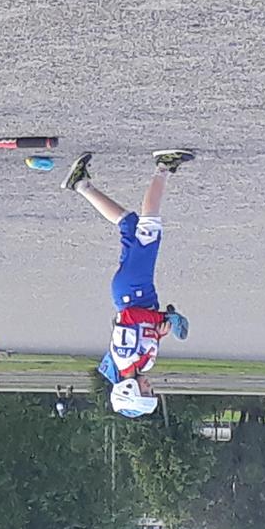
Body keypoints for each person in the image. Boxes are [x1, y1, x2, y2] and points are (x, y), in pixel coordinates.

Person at [61, 150, 194, 418]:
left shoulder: (124, 357)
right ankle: (81, 184)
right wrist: (161, 330)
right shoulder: (143, 363)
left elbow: (129, 317)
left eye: (146, 392)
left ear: (129, 389)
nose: (151, 388)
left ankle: (163, 166)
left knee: (149, 229)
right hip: (139, 291)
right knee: (130, 224)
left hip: (132, 291)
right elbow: (146, 332)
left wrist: (162, 318)